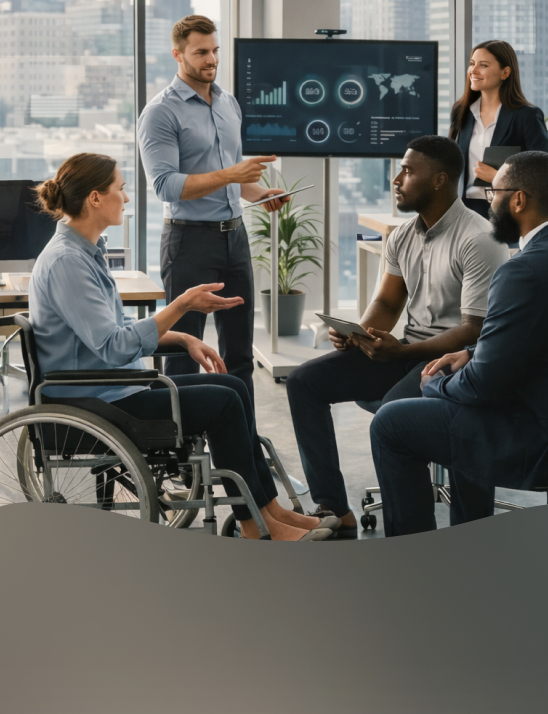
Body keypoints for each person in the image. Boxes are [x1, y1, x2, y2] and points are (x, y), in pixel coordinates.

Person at [28, 152, 338, 542]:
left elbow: (113, 331)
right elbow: (111, 346)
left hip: (110, 388)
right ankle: (254, 527)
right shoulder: (67, 262)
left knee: (234, 387)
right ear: (94, 198)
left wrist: (182, 336)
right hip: (94, 400)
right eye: (120, 190)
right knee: (223, 403)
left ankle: (269, 511)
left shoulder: (83, 253)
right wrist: (181, 306)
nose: (126, 198)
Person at [369, 151, 548, 537]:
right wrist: (470, 353)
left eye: (493, 195)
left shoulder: (523, 270)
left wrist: (433, 383)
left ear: (518, 200)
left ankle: (414, 569)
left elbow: (483, 387)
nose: (490, 205)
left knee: (392, 422)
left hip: (544, 441)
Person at [286, 136, 509, 538]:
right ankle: (335, 510)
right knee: (305, 382)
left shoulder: (479, 238)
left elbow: (475, 330)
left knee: (392, 415)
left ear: (440, 180)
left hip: (454, 361)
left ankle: (412, 538)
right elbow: (388, 304)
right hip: (408, 351)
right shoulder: (404, 235)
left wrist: (402, 350)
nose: (397, 179)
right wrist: (359, 335)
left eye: (408, 171)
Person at [138, 14, 289, 403]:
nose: (211, 59)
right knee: (183, 355)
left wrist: (259, 194)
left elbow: (235, 180)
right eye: (201, 52)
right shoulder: (160, 112)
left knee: (239, 356)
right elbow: (164, 185)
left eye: (215, 50)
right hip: (189, 243)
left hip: (234, 239)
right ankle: (182, 455)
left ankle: (243, 447)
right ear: (178, 55)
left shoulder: (227, 103)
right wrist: (231, 175)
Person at [450, 40, 548, 220]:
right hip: (465, 212)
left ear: (505, 72)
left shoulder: (527, 116)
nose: (473, 70)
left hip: (509, 212)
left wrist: (498, 177)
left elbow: (543, 174)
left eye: (484, 65)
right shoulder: (462, 111)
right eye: (472, 64)